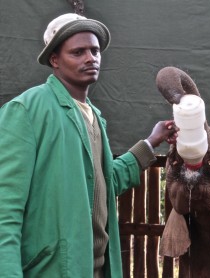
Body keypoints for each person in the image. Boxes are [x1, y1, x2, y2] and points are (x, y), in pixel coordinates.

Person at [0, 13, 178, 278]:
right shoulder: (27, 110)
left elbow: (101, 183)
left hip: (94, 268)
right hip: (51, 270)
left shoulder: (93, 117)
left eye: (95, 50)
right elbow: (5, 208)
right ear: (55, 60)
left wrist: (152, 142)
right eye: (78, 52)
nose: (90, 58)